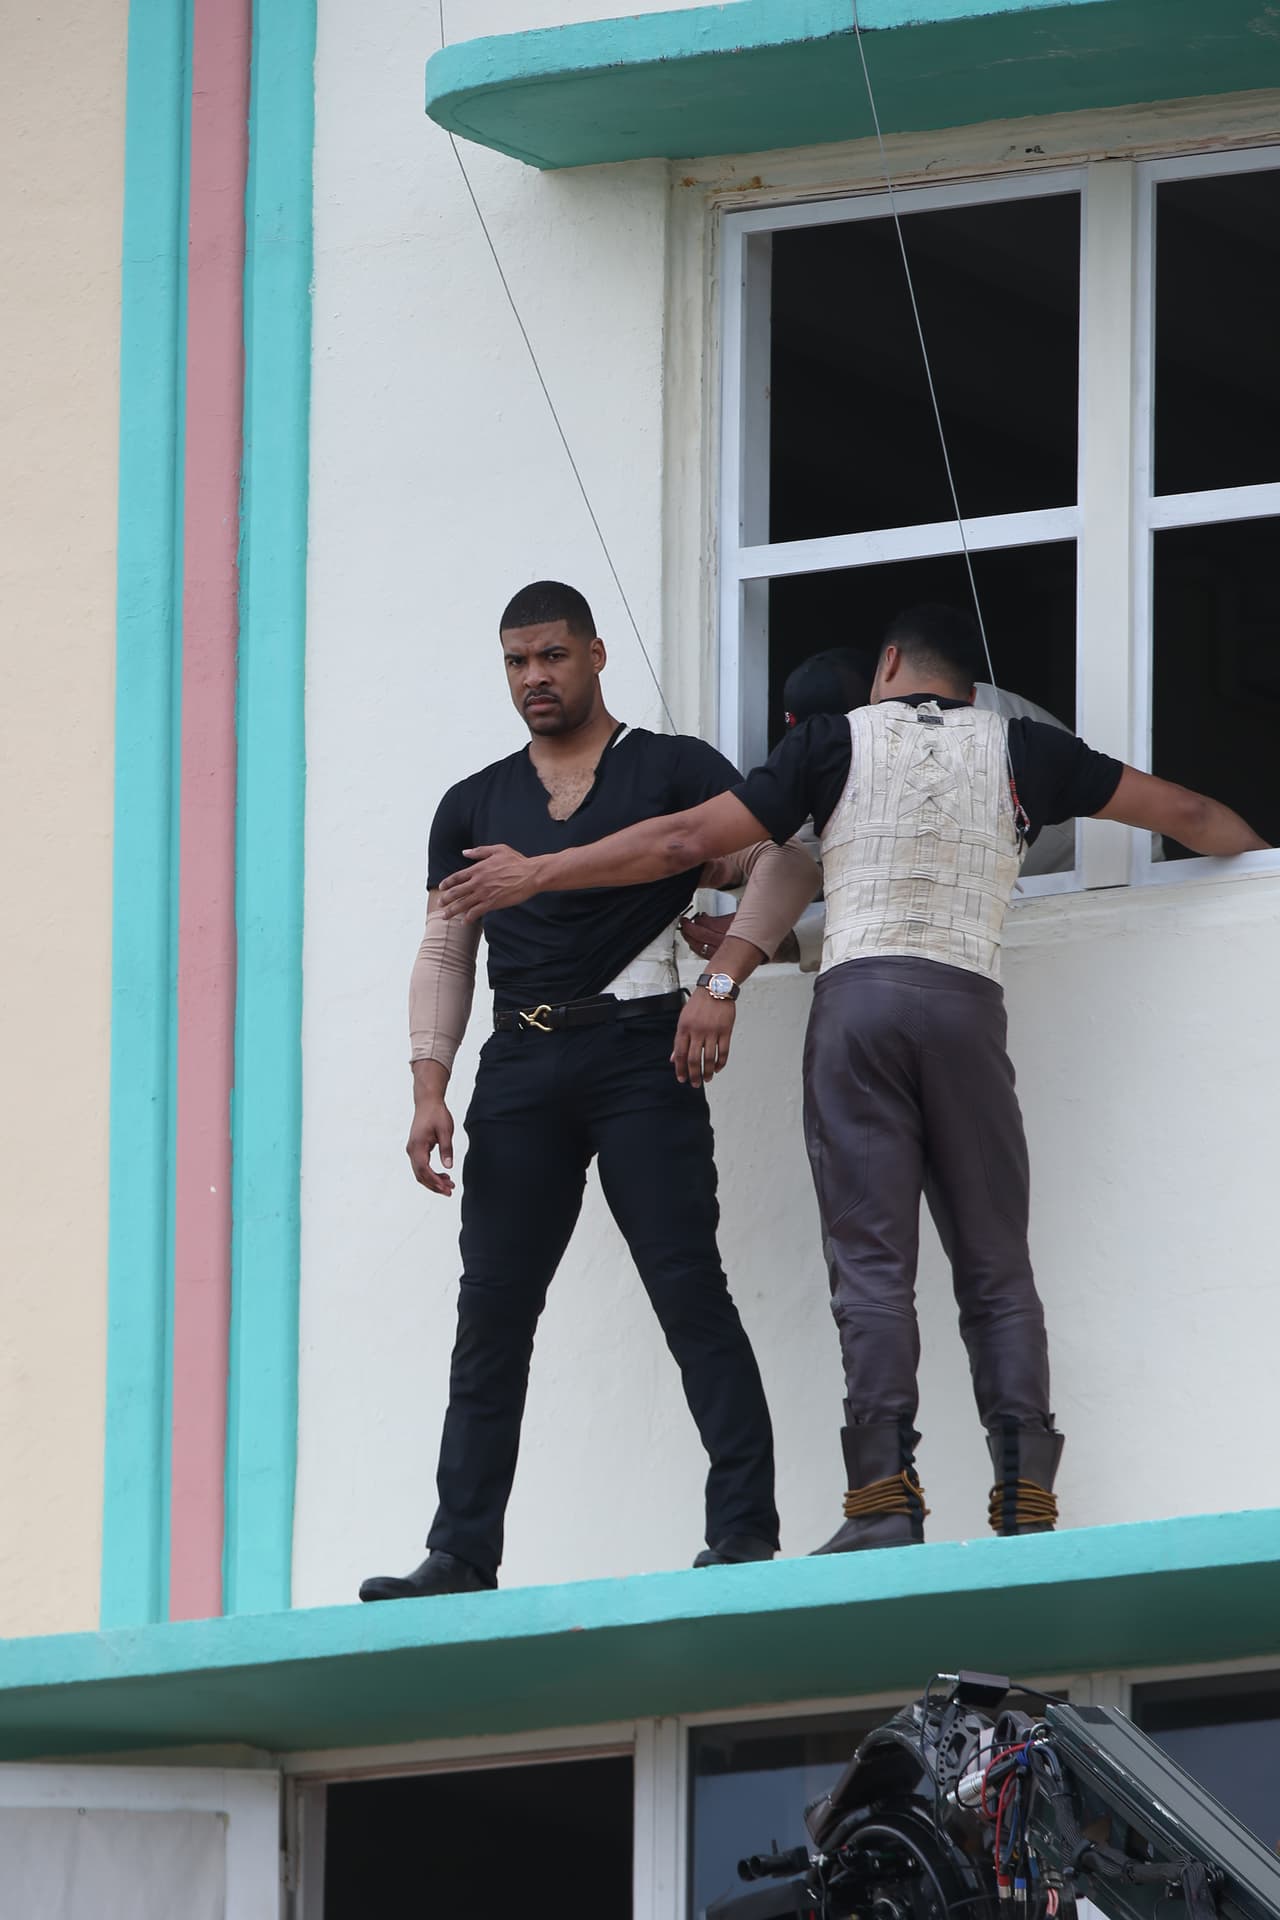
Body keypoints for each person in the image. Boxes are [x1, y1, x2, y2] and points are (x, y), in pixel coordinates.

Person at [438, 602, 1268, 1555]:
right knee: (995, 1263)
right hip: (966, 1005)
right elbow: (1197, 817)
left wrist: (543, 875)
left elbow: (690, 847)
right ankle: (1024, 1502)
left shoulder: (828, 745)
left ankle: (883, 1503)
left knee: (872, 1266)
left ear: (885, 666)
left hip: (860, 1008)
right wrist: (1256, 877)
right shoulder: (1025, 749)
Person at [359, 581, 821, 1601]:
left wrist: (724, 974)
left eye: (552, 657)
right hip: (517, 1062)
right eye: (518, 662)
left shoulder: (668, 768)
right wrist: (426, 1086)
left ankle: (742, 1532)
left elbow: (784, 861)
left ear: (595, 655)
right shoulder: (472, 803)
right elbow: (445, 947)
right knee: (491, 1312)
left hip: (638, 1053)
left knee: (684, 1286)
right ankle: (457, 1555)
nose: (535, 679)